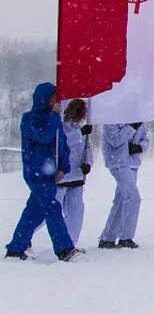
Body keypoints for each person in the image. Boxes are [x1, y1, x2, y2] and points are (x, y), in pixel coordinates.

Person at [5, 82, 82, 262]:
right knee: (53, 207)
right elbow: (43, 136)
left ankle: (16, 248)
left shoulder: (55, 120)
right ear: (45, 99)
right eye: (54, 97)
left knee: (34, 211)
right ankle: (64, 249)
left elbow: (63, 146)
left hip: (51, 173)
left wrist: (64, 168)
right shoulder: (29, 119)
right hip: (36, 173)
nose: (58, 101)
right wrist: (54, 117)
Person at [99, 121, 150, 249]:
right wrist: (131, 128)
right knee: (133, 197)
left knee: (121, 200)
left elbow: (146, 139)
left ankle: (108, 237)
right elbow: (115, 140)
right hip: (118, 161)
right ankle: (125, 237)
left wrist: (140, 147)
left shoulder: (139, 118)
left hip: (133, 162)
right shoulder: (111, 119)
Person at [55, 98, 92, 248]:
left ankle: (69, 243)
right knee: (49, 211)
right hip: (61, 176)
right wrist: (80, 133)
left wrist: (88, 164)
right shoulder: (59, 127)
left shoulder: (78, 128)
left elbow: (86, 148)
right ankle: (28, 236)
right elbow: (61, 143)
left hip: (76, 176)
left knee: (76, 212)